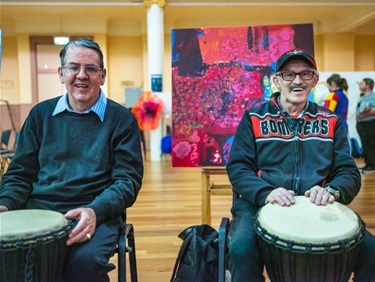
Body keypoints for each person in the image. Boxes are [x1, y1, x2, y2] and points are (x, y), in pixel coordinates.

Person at [0, 38, 144, 281]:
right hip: (40, 210)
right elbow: (20, 174)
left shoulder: (121, 120)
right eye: (73, 67)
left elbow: (127, 181)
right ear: (61, 73)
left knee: (83, 264)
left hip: (96, 212)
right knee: (12, 261)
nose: (81, 75)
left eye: (91, 68)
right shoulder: (40, 115)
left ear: (102, 75)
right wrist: (5, 204)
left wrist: (95, 211)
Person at [226, 49, 374, 281]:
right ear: (276, 80)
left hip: (317, 204)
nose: (297, 81)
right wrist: (266, 193)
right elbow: (238, 167)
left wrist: (331, 191)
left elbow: (348, 172)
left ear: (314, 80)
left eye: (305, 74)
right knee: (241, 249)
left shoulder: (331, 121)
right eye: (288, 75)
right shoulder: (253, 118)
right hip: (261, 202)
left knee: (372, 251)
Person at [356, 78, 375, 174]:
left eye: (362, 83)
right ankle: (368, 164)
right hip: (362, 125)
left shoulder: (373, 96)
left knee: (371, 145)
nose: (360, 84)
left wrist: (364, 115)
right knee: (365, 145)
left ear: (367, 85)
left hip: (370, 124)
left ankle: (372, 166)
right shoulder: (363, 97)